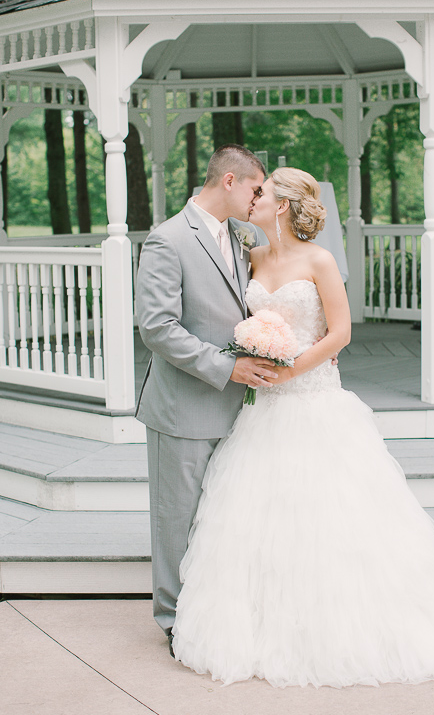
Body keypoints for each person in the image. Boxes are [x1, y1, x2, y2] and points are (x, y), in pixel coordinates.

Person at [170, 167, 434, 689]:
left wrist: (293, 369)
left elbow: (342, 330)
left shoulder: (319, 260)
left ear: (280, 205)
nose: (252, 199)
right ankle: (264, 631)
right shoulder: (250, 258)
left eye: (261, 194)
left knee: (332, 517)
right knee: (261, 521)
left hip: (314, 400)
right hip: (264, 413)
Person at [135, 145, 279, 654]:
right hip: (184, 405)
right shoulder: (167, 239)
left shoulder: (243, 238)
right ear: (230, 182)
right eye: (256, 188)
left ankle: (217, 610)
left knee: (219, 515)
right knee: (177, 516)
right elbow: (157, 327)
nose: (260, 198)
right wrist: (227, 366)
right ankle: (174, 620)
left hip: (239, 407)